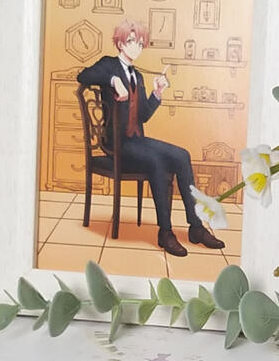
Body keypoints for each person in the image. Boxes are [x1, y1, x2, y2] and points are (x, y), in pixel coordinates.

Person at [77, 19, 224, 257]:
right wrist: (113, 80)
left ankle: (196, 227)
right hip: (117, 144)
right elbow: (83, 76)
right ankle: (165, 232)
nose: (136, 46)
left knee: (182, 155)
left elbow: (143, 115)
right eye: (131, 41)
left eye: (140, 43)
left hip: (137, 140)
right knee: (157, 161)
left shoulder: (138, 77)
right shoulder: (108, 65)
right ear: (120, 43)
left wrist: (157, 92)